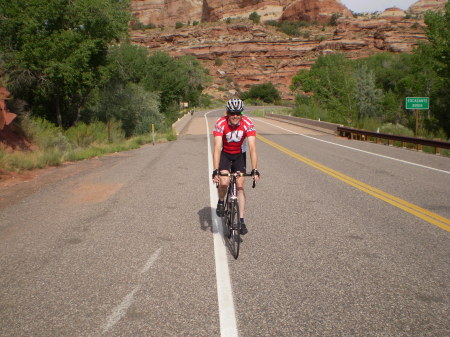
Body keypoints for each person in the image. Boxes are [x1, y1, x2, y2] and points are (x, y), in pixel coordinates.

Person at [212, 98, 260, 235]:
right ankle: (221, 201)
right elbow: (216, 147)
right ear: (227, 113)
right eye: (232, 113)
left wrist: (255, 169)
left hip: (240, 155)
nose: (235, 116)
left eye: (238, 113)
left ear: (241, 113)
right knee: (224, 182)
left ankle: (241, 220)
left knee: (240, 186)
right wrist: (215, 171)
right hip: (225, 154)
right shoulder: (221, 123)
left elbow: (252, 147)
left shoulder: (248, 123)